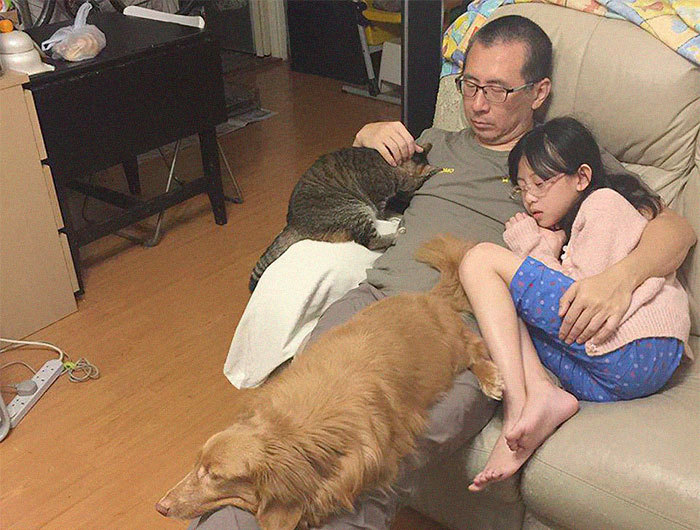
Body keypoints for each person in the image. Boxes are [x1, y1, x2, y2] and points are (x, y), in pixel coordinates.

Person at [190, 15, 695, 530]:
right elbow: (354, 183)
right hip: (375, 304)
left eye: (497, 90)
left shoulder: (558, 160)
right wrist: (366, 134)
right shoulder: (436, 143)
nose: (477, 105)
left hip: (459, 339)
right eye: (469, 85)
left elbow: (675, 229)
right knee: (270, 437)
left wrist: (618, 280)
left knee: (368, 469)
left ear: (539, 92)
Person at [458, 116, 691, 492]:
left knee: (480, 260)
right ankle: (542, 394)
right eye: (521, 189)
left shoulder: (603, 204)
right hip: (620, 378)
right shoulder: (570, 225)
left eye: (540, 183)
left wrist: (532, 247)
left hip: (635, 344)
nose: (530, 198)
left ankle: (517, 405)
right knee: (505, 311)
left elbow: (581, 298)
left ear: (582, 177)